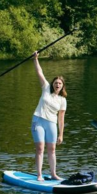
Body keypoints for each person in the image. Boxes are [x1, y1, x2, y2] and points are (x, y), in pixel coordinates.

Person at [30, 51, 67, 181]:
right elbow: (40, 73)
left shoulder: (62, 100)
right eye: (56, 82)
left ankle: (53, 174)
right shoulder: (46, 88)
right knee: (40, 148)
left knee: (52, 149)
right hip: (38, 120)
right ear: (53, 84)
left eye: (60, 83)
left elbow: (61, 119)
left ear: (62, 86)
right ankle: (39, 175)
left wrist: (61, 134)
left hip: (52, 124)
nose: (57, 85)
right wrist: (35, 59)